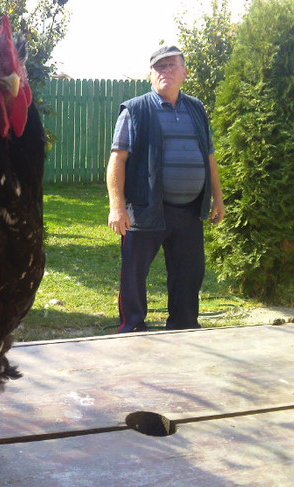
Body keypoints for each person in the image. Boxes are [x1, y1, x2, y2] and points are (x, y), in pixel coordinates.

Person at [106, 45, 225, 333]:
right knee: (134, 274)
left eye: (172, 65)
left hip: (189, 212)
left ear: (184, 72)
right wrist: (116, 207)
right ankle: (132, 326)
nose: (166, 71)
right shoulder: (134, 111)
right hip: (147, 210)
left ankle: (184, 327)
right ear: (150, 75)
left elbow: (209, 157)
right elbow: (117, 159)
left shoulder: (196, 109)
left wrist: (217, 199)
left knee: (189, 274)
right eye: (159, 67)